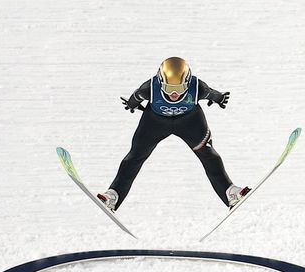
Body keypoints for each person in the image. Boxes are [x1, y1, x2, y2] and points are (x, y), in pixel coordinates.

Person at [97, 57, 249, 212]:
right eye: (169, 88)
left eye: (181, 88)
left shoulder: (198, 88)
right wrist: (131, 105)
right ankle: (113, 195)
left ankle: (230, 192)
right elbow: (135, 97)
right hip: (155, 123)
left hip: (190, 122)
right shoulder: (148, 88)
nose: (174, 93)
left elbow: (212, 94)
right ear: (160, 82)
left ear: (188, 83)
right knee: (135, 156)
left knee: (209, 155)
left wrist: (220, 98)